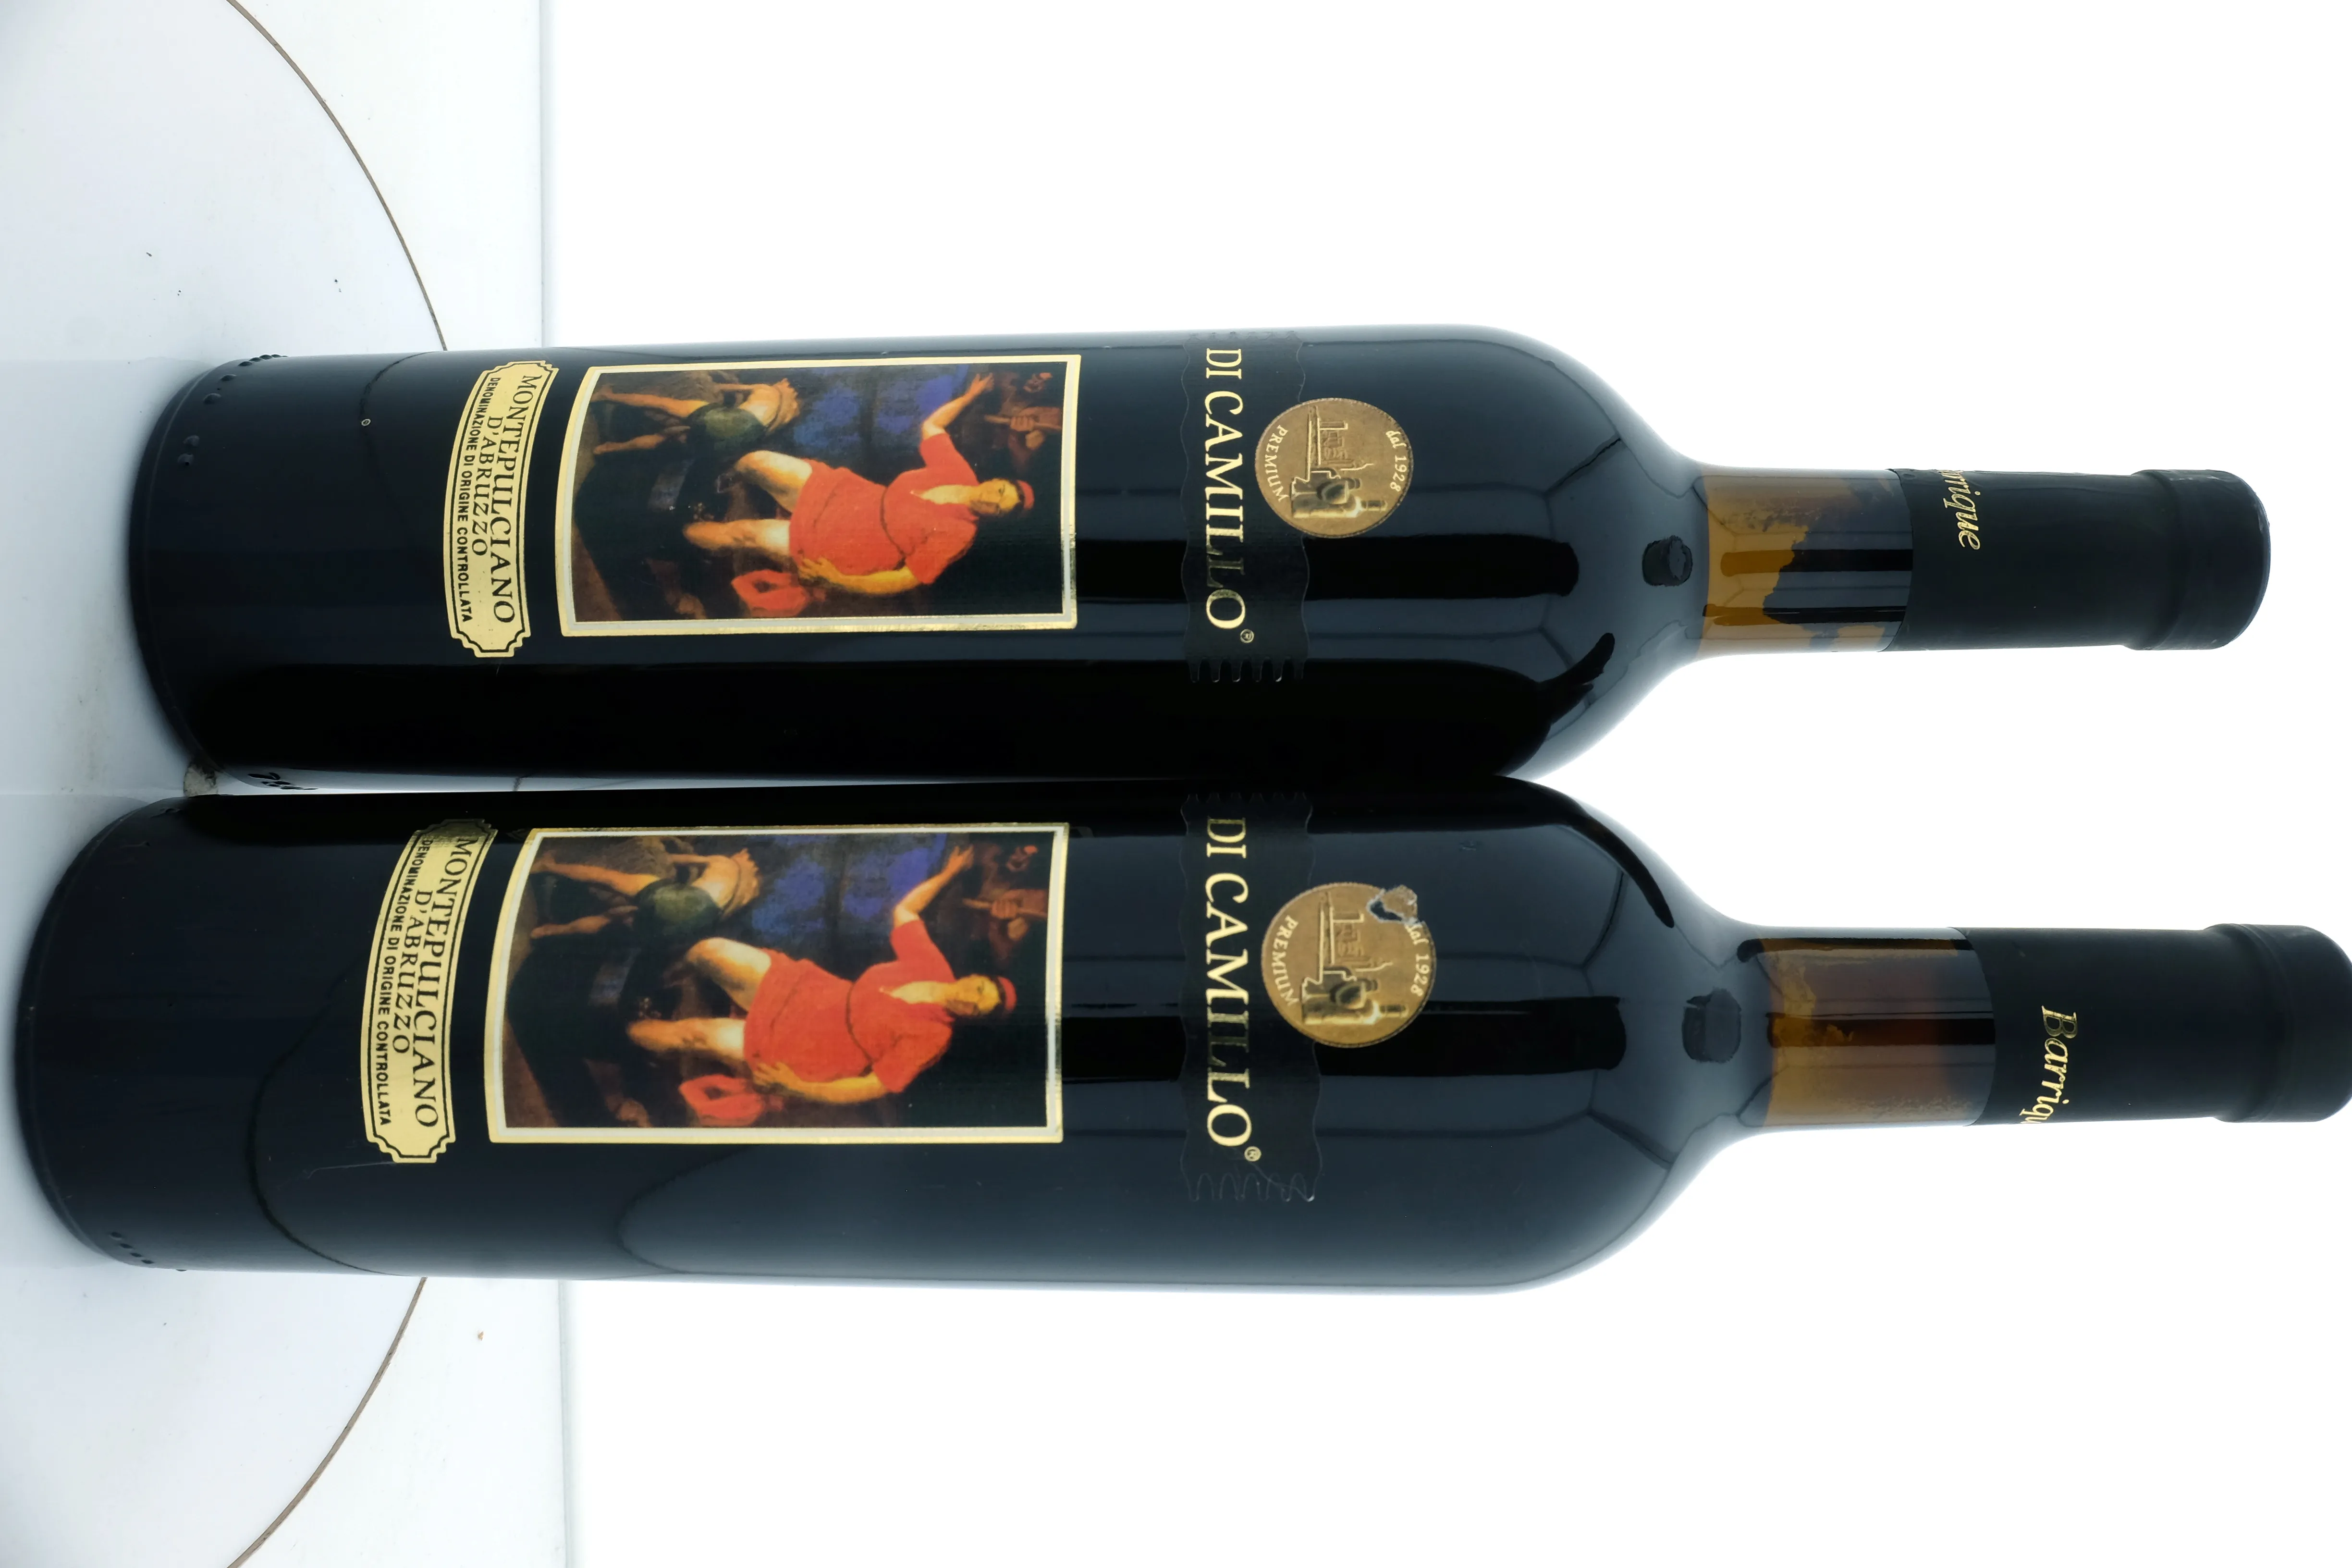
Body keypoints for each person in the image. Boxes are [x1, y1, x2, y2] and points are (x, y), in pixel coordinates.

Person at [626, 845, 1016, 1106]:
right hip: (812, 992)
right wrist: (949, 873)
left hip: (817, 1047)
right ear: (975, 977)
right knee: (709, 951)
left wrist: (797, 1087)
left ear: (972, 1018)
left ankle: (612, 1033)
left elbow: (871, 1086)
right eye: (980, 989)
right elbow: (905, 912)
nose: (970, 999)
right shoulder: (934, 968)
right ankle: (649, 983)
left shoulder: (934, 1037)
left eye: (978, 1009)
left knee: (696, 1034)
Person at [686, 374, 1035, 615]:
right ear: (997, 480)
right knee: (756, 462)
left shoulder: (960, 534)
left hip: (857, 543)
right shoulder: (960, 474)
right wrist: (970, 398)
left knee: (746, 534)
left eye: (999, 509)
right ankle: (705, 488)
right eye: (1000, 491)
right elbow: (932, 426)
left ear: (996, 518)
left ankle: (670, 536)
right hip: (852, 496)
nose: (992, 500)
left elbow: (904, 579)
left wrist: (838, 580)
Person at [530, 847, 761, 943]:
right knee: (614, 920)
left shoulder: (725, 863)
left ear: (746, 856)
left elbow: (674, 859)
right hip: (695, 925)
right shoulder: (752, 893)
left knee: (607, 879)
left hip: (683, 901)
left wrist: (661, 861)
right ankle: (548, 932)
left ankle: (547, 866)